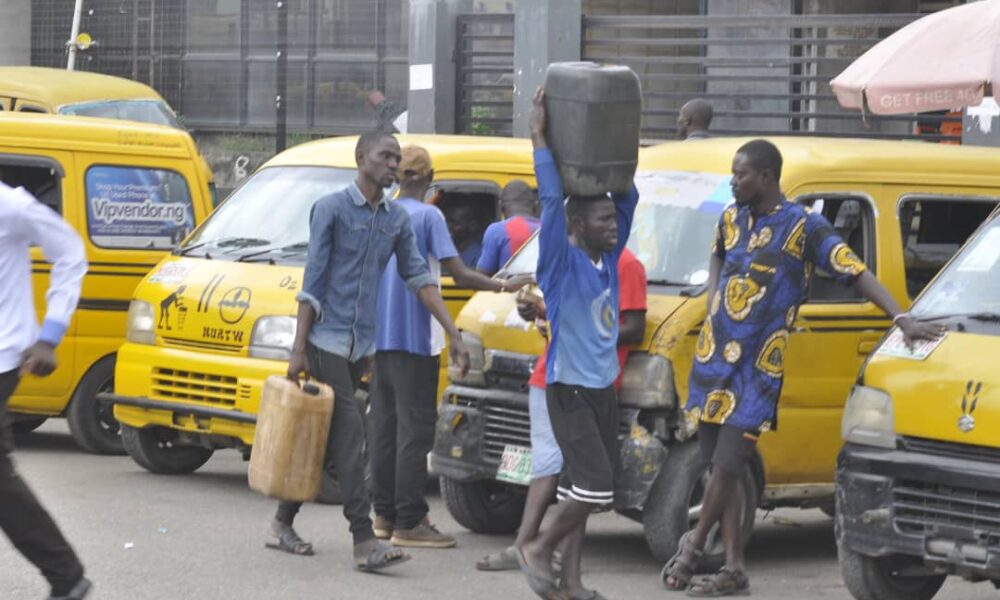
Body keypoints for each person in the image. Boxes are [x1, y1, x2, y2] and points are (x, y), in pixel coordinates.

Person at [660, 139, 943, 597]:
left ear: (767, 176)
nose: (733, 181)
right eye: (732, 174)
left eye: (741, 174)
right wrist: (714, 296)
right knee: (718, 469)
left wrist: (900, 315)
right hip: (713, 361)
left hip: (758, 370)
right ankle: (733, 569)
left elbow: (855, 270)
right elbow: (717, 253)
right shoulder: (731, 217)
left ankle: (693, 548)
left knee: (730, 463)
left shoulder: (803, 227)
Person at [268, 131, 470, 573]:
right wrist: (298, 349)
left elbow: (420, 277)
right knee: (352, 434)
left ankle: (282, 522)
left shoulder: (395, 219)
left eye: (397, 159)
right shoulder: (332, 209)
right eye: (385, 156)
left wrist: (452, 331)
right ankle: (363, 539)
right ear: (361, 158)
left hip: (364, 343)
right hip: (324, 340)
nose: (392, 165)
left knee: (328, 435)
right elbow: (312, 282)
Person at [371, 145, 528, 549]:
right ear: (428, 179)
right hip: (415, 336)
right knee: (416, 429)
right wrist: (500, 285)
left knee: (385, 427)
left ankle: (384, 516)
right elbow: (457, 273)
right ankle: (410, 520)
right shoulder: (428, 216)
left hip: (379, 336)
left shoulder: (379, 211)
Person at [516, 88, 640, 600]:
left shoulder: (608, 259)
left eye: (613, 221)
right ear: (577, 226)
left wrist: (621, 137)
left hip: (600, 387)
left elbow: (629, 196)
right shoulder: (560, 266)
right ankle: (539, 549)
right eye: (603, 221)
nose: (614, 227)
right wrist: (540, 139)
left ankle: (570, 582)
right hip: (566, 388)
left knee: (578, 490)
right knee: (595, 487)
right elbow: (550, 202)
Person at [476, 247, 647, 595]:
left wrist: (554, 315)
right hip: (565, 381)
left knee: (577, 484)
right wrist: (539, 312)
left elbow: (631, 328)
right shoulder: (573, 263)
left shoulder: (625, 265)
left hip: (590, 384)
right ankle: (536, 549)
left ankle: (565, 575)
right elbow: (561, 320)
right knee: (578, 481)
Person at [0, 181, 91, 599]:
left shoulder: (10, 205)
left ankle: (66, 576)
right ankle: (66, 575)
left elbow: (71, 252)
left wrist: (50, 334)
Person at [476, 180, 540, 275]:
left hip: (507, 289)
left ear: (501, 207)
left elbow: (482, 275)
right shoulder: (550, 231)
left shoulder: (495, 231)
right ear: (536, 206)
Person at [443, 202, 483, 267]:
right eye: (446, 221)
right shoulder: (443, 251)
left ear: (472, 225)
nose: (447, 226)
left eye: (454, 223)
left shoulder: (480, 256)